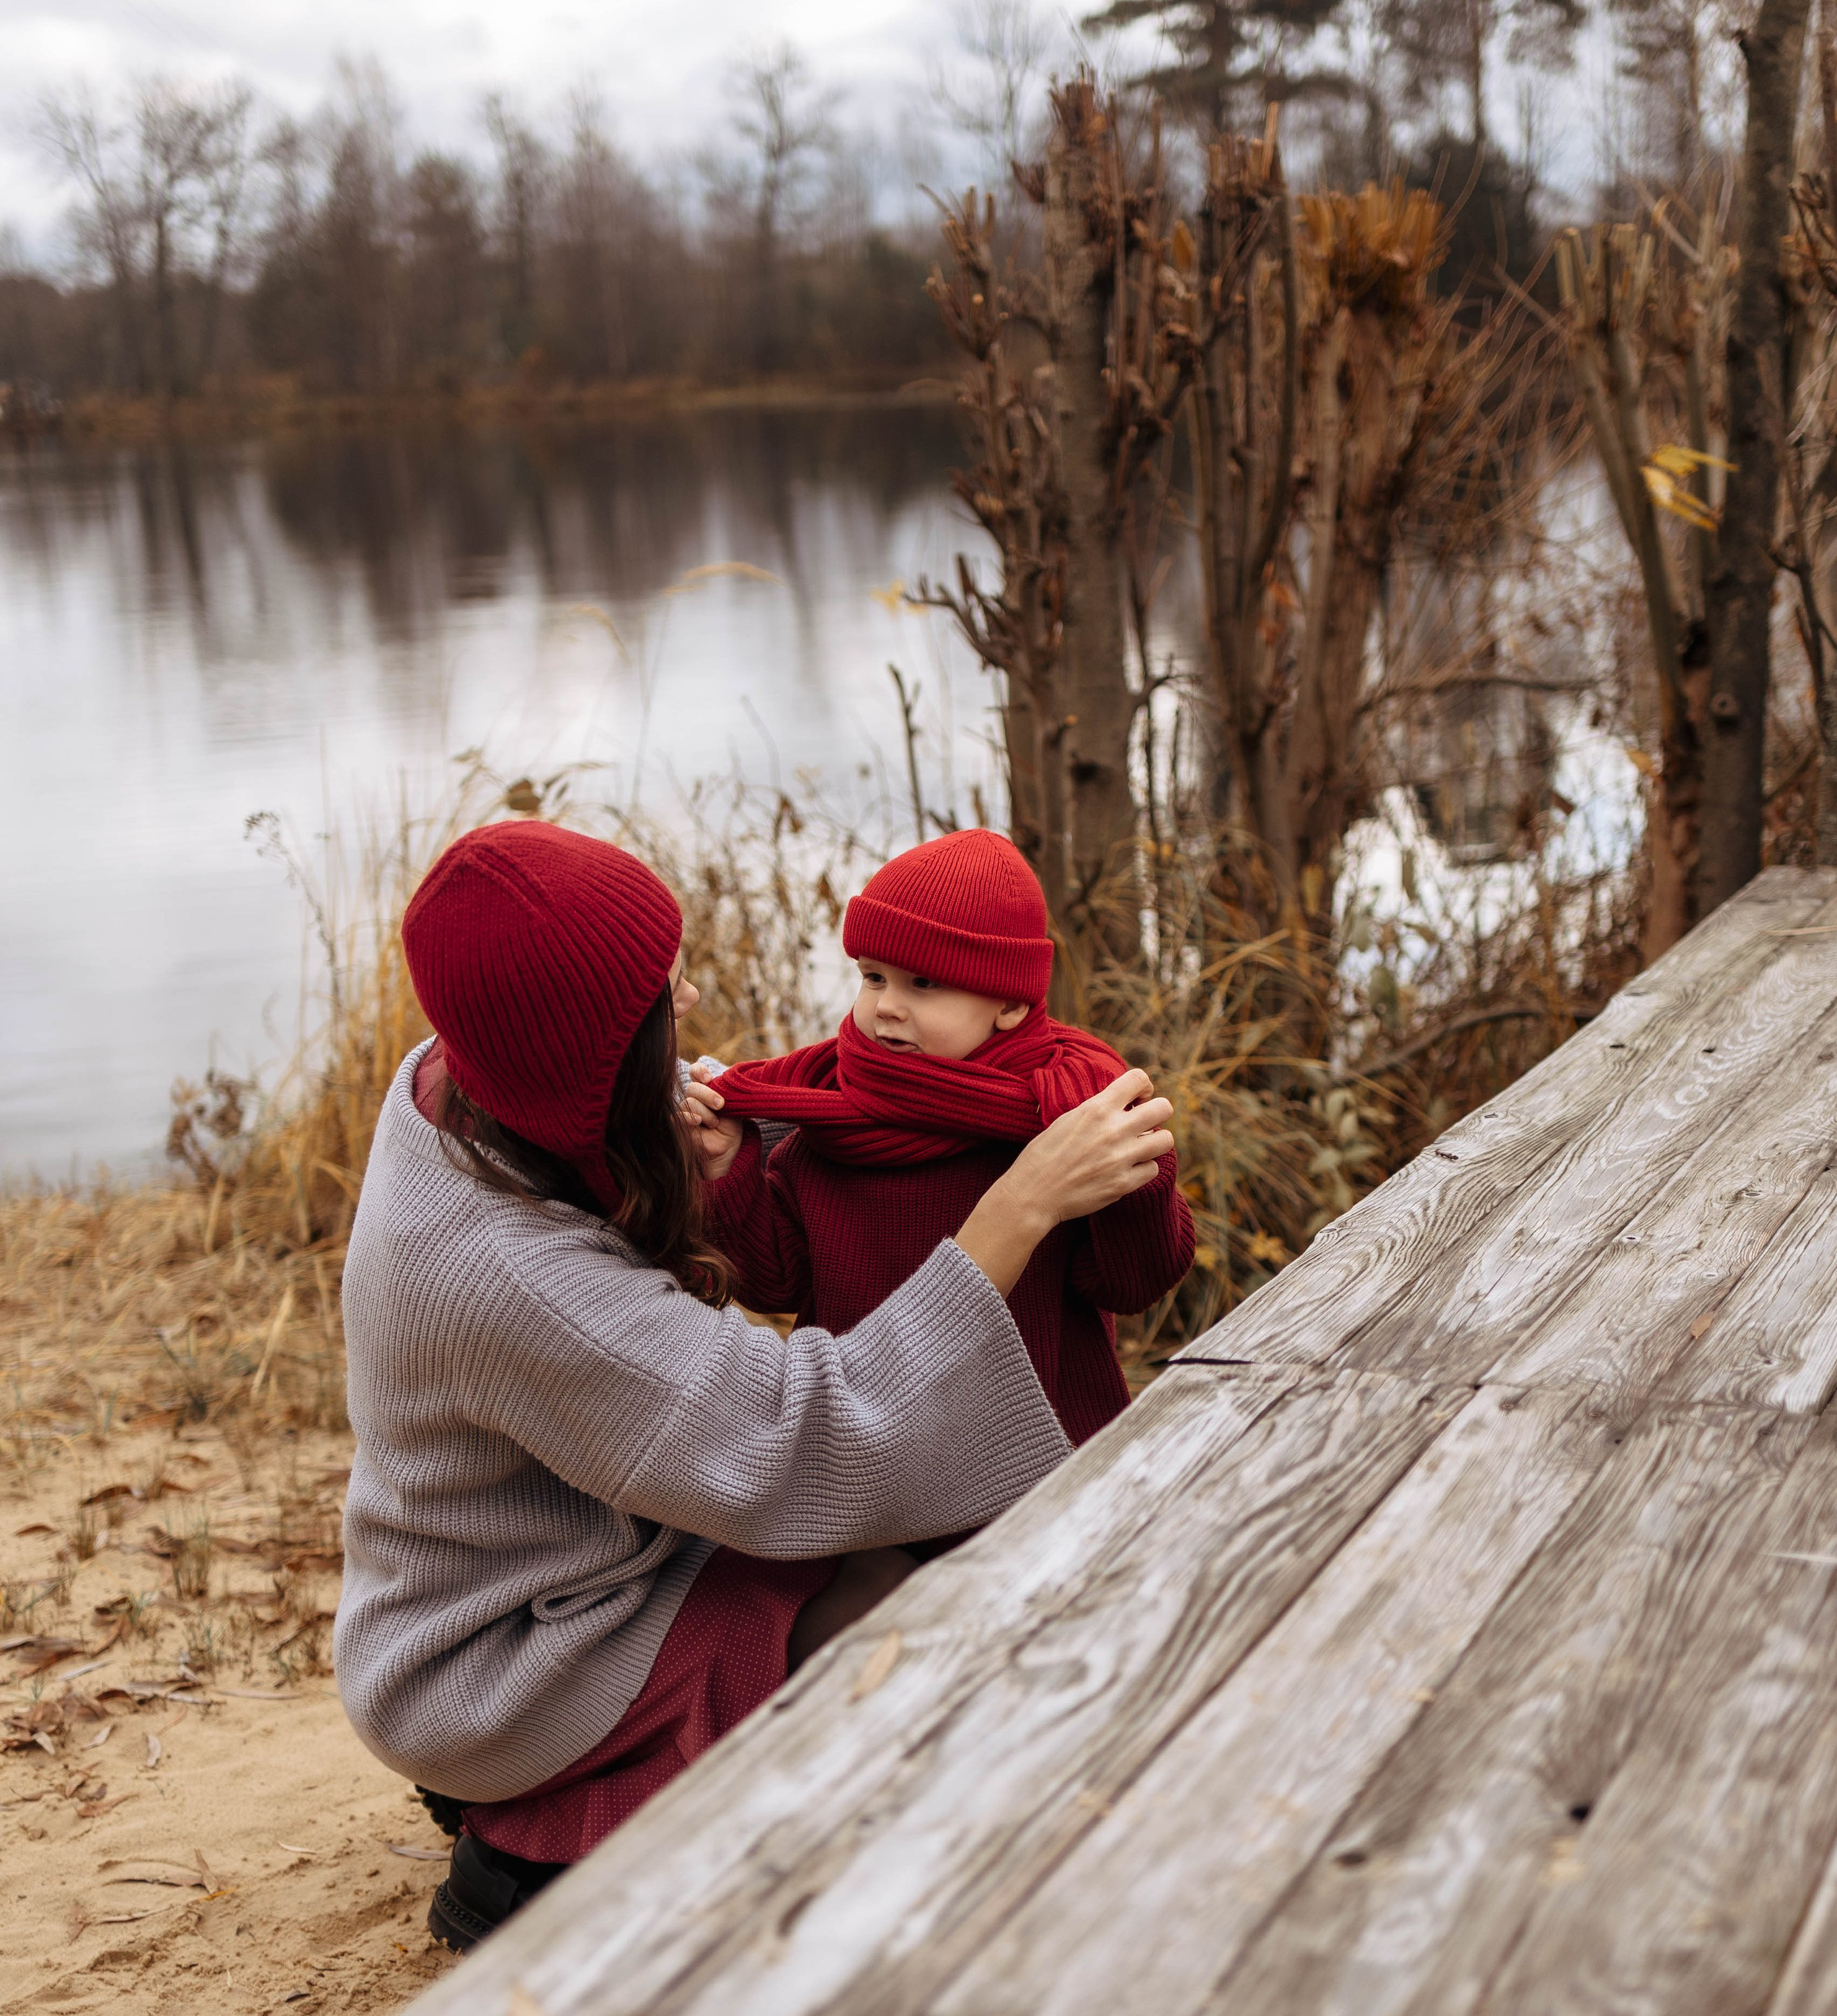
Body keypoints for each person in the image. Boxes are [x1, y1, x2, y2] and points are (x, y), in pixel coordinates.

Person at [332, 817, 1174, 1952]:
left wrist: (754, 1139)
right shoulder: (514, 1277)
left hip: (548, 1561)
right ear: (586, 1050)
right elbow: (799, 1444)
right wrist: (1014, 1211)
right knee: (916, 1634)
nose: (683, 1006)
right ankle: (529, 1859)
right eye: (656, 1001)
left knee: (897, 1578)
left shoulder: (452, 1085)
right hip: (500, 1659)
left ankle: (555, 1795)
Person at [688, 831, 1195, 1448]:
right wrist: (725, 1170)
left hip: (1034, 1450)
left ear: (1010, 1004)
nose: (887, 1007)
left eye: (922, 984)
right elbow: (774, 1283)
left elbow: (1133, 1284)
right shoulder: (832, 1121)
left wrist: (1137, 1171)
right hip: (868, 1440)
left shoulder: (1067, 1121)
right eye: (873, 977)